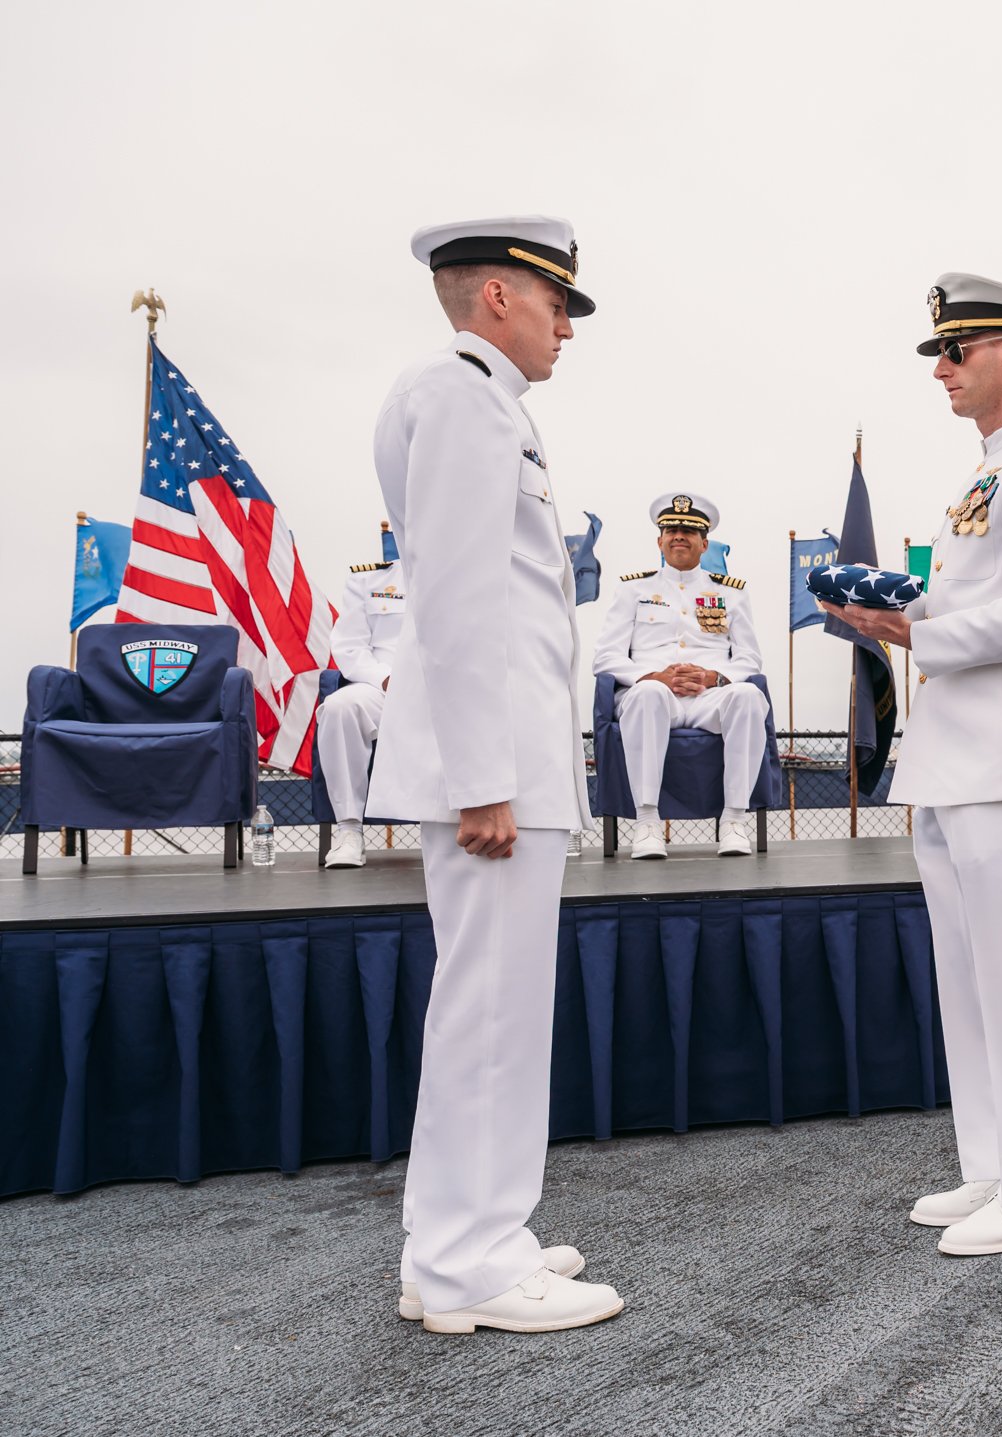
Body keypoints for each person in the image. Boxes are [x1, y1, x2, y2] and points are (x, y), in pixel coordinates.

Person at [366, 215, 621, 1334]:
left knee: (499, 1009)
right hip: (493, 766)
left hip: (506, 758)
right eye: (556, 300)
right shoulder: (463, 399)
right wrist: (482, 777)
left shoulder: (475, 401)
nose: (567, 324)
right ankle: (469, 1266)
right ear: (499, 299)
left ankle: (468, 1239)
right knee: (490, 1013)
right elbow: (464, 596)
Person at [823, 273, 1002, 1256]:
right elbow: (978, 604)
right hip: (952, 761)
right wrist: (899, 619)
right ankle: (992, 1165)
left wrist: (917, 631)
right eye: (939, 353)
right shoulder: (986, 476)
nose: (941, 368)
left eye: (957, 350)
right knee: (967, 976)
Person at [592, 493, 768, 859]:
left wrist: (713, 676)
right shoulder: (632, 589)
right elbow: (605, 658)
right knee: (646, 695)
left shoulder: (730, 593)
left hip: (709, 698)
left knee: (750, 696)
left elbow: (750, 658)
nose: (679, 536)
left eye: (689, 530)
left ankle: (734, 819)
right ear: (659, 540)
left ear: (705, 543)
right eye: (671, 529)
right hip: (655, 695)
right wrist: (653, 676)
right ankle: (647, 822)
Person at [318, 550, 405, 869]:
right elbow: (350, 646)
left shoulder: (466, 573)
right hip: (386, 688)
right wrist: (385, 680)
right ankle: (349, 831)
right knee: (339, 708)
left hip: (452, 690)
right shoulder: (370, 578)